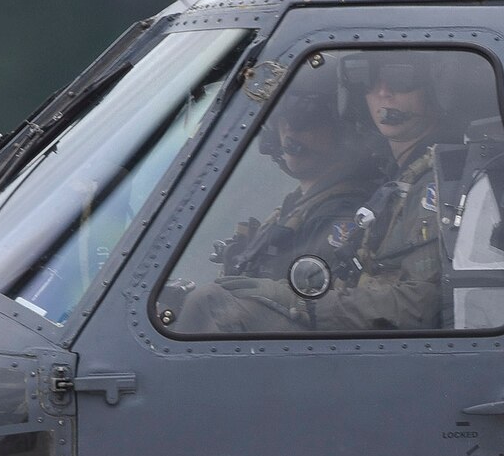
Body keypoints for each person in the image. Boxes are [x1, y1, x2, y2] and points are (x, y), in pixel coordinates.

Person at [172, 52, 448, 334]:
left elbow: (423, 305)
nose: (382, 92)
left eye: (401, 78)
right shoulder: (394, 184)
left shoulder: (437, 180)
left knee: (212, 306)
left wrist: (298, 301)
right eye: (367, 81)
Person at [210, 84, 378, 283]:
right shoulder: (298, 206)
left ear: (341, 131)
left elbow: (312, 301)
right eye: (282, 118)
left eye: (305, 119)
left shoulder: (340, 211)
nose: (289, 129)